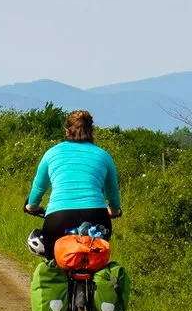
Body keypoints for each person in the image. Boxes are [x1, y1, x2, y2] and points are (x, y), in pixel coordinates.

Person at [26, 110, 122, 262]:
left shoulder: (51, 153)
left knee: (54, 265)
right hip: (97, 216)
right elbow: (112, 191)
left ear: (66, 130)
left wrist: (32, 206)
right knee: (97, 261)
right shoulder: (103, 156)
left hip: (59, 218)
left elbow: (39, 187)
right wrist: (115, 210)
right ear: (91, 131)